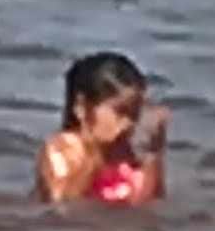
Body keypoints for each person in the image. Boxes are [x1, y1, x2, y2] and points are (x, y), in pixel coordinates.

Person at [37, 51, 169, 206]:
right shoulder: (62, 150)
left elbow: (149, 202)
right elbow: (64, 206)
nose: (128, 123)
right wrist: (96, 151)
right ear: (82, 107)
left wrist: (153, 153)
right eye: (120, 112)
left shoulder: (124, 151)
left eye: (135, 113)